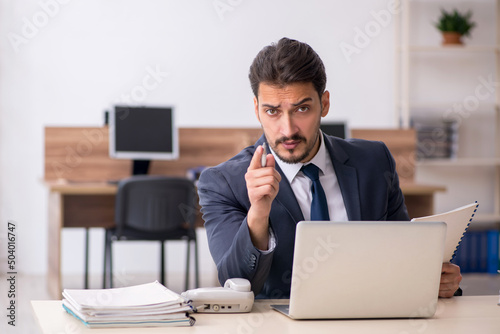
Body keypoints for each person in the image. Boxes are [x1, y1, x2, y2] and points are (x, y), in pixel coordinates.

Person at [197, 37, 462, 299]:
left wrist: (434, 281)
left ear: (324, 103)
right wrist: (258, 214)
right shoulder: (223, 183)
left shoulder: (374, 161)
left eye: (302, 109)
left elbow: (402, 257)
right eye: (272, 112)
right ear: (257, 109)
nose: (287, 130)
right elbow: (236, 284)